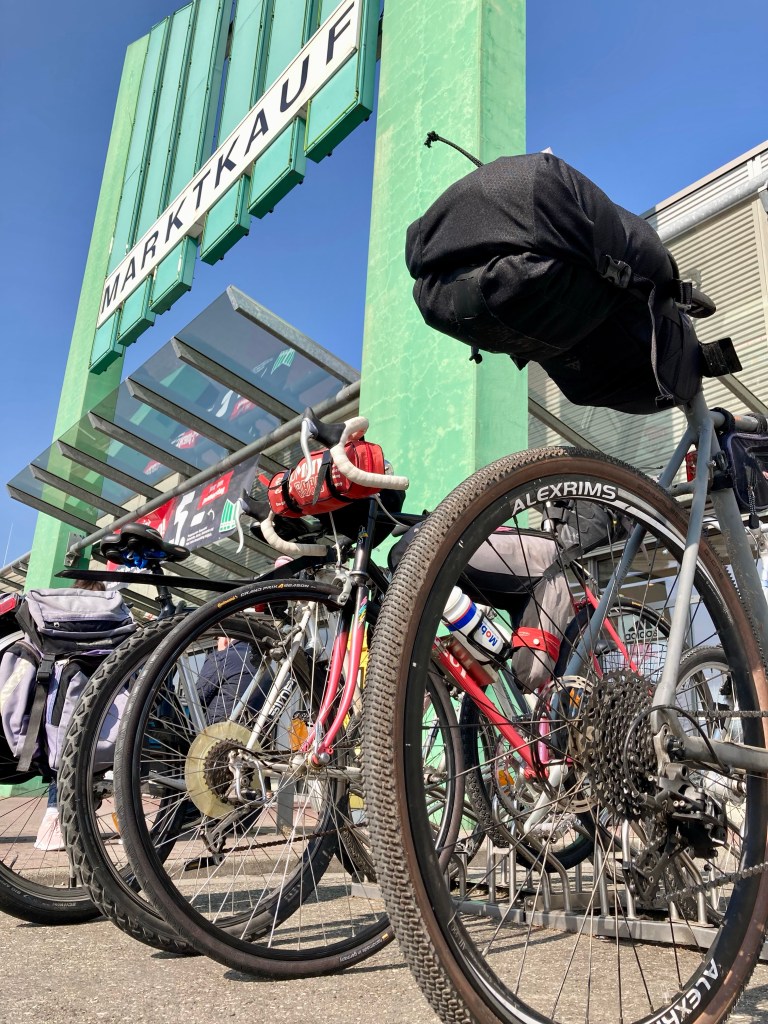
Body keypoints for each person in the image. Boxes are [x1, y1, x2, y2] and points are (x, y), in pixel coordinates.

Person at [34, 580, 108, 853]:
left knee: (63, 760)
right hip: (94, 706)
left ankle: (57, 824)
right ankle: (59, 825)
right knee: (85, 765)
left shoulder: (61, 619)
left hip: (59, 706)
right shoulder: (104, 622)